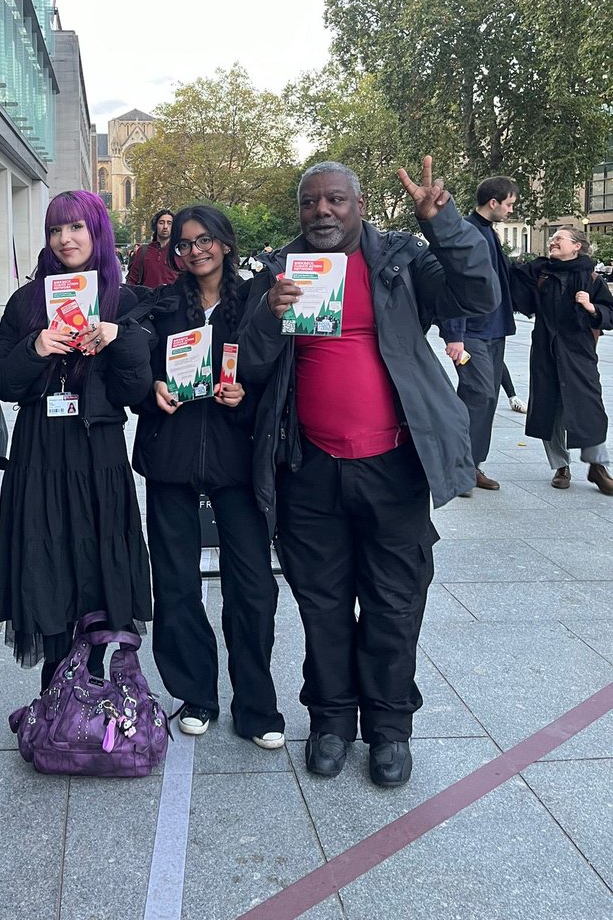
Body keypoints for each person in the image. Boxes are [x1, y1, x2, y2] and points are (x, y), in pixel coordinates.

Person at [239, 157, 498, 787]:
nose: (322, 212)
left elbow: (480, 295)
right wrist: (270, 313)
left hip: (393, 466)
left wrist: (446, 226)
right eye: (310, 203)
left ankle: (389, 728)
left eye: (335, 201)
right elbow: (246, 363)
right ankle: (330, 721)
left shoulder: (403, 260)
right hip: (309, 468)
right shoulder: (278, 269)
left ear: (359, 206)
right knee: (323, 604)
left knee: (393, 603)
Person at [132, 206, 284, 749]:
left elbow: (273, 376)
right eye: (185, 244)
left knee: (252, 585)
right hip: (170, 458)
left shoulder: (253, 305)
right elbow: (135, 367)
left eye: (206, 240)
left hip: (237, 458)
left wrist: (246, 397)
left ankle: (256, 703)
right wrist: (150, 386)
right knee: (175, 581)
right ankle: (196, 693)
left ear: (224, 243)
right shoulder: (161, 305)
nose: (196, 250)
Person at [0, 190, 153, 689]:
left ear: (97, 231)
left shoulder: (123, 300)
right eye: (56, 230)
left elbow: (136, 391)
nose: (65, 239)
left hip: (98, 447)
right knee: (46, 557)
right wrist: (36, 347)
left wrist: (117, 337)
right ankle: (56, 687)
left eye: (76, 227)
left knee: (98, 556)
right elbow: (3, 381)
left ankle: (95, 676)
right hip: (40, 446)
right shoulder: (27, 300)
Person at [510, 226, 613, 493]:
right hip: (546, 350)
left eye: (559, 238)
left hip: (579, 352)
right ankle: (561, 466)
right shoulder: (541, 272)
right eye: (553, 238)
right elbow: (513, 287)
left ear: (577, 246)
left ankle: (598, 467)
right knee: (549, 407)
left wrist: (592, 308)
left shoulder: (591, 277)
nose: (553, 242)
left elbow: (610, 313)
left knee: (590, 407)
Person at [439, 176, 518, 492]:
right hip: (471, 331)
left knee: (487, 399)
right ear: (494, 202)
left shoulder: (487, 232)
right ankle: (458, 466)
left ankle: (470, 466)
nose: (511, 211)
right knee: (479, 394)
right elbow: (454, 282)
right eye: (510, 204)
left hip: (494, 330)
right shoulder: (467, 232)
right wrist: (454, 334)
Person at [127, 209, 179, 287]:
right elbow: (132, 280)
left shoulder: (180, 252)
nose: (165, 227)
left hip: (173, 298)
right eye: (161, 223)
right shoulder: (143, 251)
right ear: (155, 226)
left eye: (169, 223)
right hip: (147, 297)